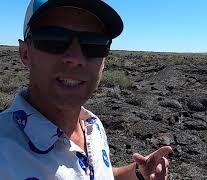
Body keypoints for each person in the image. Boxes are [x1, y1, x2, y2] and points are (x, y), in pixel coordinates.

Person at [0, 0, 173, 179]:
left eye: (94, 43)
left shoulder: (92, 125)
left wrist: (137, 173)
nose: (76, 58)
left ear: (104, 62)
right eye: (53, 39)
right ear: (25, 53)